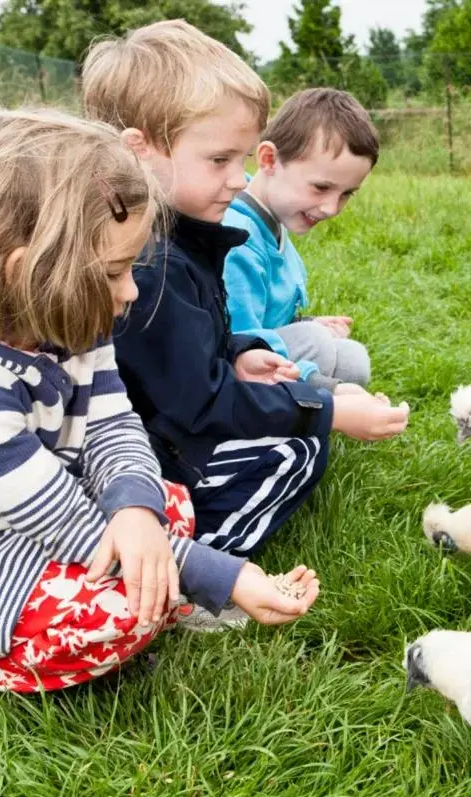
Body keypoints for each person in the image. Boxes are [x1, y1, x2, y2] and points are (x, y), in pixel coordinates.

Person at [0, 109, 319, 732]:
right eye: (115, 273)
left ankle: (161, 595)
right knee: (117, 613)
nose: (130, 294)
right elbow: (66, 525)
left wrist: (132, 508)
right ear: (25, 272)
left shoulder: (66, 321)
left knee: (161, 504)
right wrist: (223, 575)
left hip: (17, 534)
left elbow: (113, 426)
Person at [81, 21, 408, 631]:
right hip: (142, 464)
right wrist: (323, 408)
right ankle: (193, 579)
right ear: (139, 150)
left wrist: (240, 351)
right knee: (295, 451)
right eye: (219, 159)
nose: (237, 179)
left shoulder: (177, 239)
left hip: (154, 446)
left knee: (302, 438)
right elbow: (198, 406)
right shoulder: (150, 267)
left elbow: (192, 359)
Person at [223, 88, 379, 393]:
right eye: (321, 187)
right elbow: (238, 338)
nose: (332, 208)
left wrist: (307, 320)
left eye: (346, 194)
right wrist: (325, 385)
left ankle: (304, 399)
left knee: (352, 360)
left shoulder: (272, 216)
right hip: (238, 359)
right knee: (316, 343)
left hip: (263, 343)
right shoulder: (237, 237)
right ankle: (294, 410)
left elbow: (266, 310)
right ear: (269, 159)